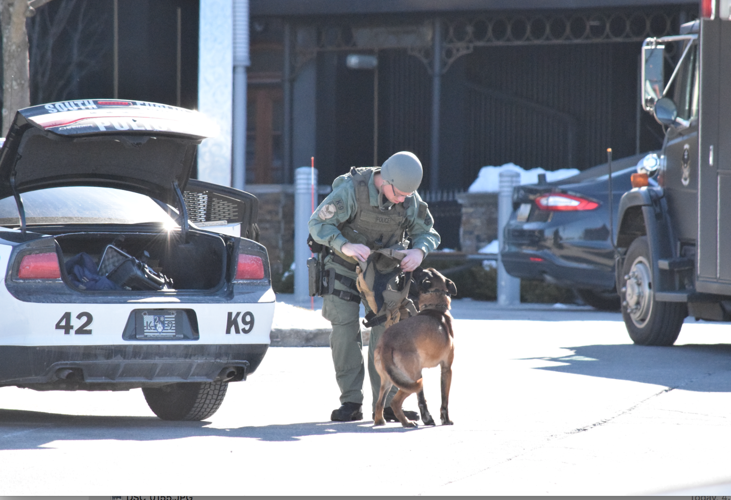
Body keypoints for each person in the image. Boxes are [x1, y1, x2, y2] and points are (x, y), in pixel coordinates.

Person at [308, 151, 441, 422]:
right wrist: (343, 244)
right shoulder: (351, 191)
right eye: (399, 193)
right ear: (385, 180)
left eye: (407, 195)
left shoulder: (409, 198)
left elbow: (427, 232)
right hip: (344, 268)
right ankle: (351, 402)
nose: (403, 199)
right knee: (345, 332)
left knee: (387, 335)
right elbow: (317, 223)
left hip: (385, 272)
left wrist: (418, 251)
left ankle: (389, 404)